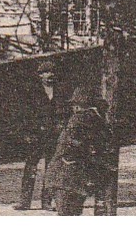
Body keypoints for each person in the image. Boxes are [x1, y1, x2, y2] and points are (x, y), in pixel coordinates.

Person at [47, 86, 117, 215]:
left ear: (77, 105)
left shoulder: (79, 118)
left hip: (66, 176)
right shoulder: (95, 119)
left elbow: (72, 145)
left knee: (68, 213)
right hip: (72, 176)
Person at [17, 60, 71, 210]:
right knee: (31, 167)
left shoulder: (60, 92)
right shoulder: (32, 92)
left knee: (51, 167)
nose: (50, 75)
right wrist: (27, 132)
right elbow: (24, 114)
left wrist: (62, 128)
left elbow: (65, 112)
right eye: (46, 72)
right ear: (40, 75)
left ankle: (47, 201)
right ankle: (24, 201)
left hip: (53, 134)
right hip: (36, 134)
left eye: (52, 72)